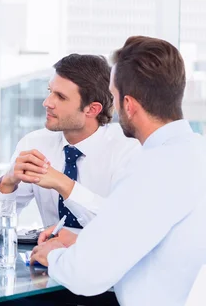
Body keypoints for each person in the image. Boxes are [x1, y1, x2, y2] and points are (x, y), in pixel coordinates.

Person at [30, 36, 206, 305]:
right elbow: (161, 244)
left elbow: (84, 275)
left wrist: (52, 255)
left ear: (129, 105)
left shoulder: (152, 168)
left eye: (113, 96)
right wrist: (81, 239)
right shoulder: (195, 152)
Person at [0, 54, 139, 237]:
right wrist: (8, 182)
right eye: (49, 92)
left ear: (92, 109)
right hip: (49, 262)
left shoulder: (128, 149)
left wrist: (64, 184)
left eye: (60, 97)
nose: (47, 103)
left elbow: (122, 227)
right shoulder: (35, 144)